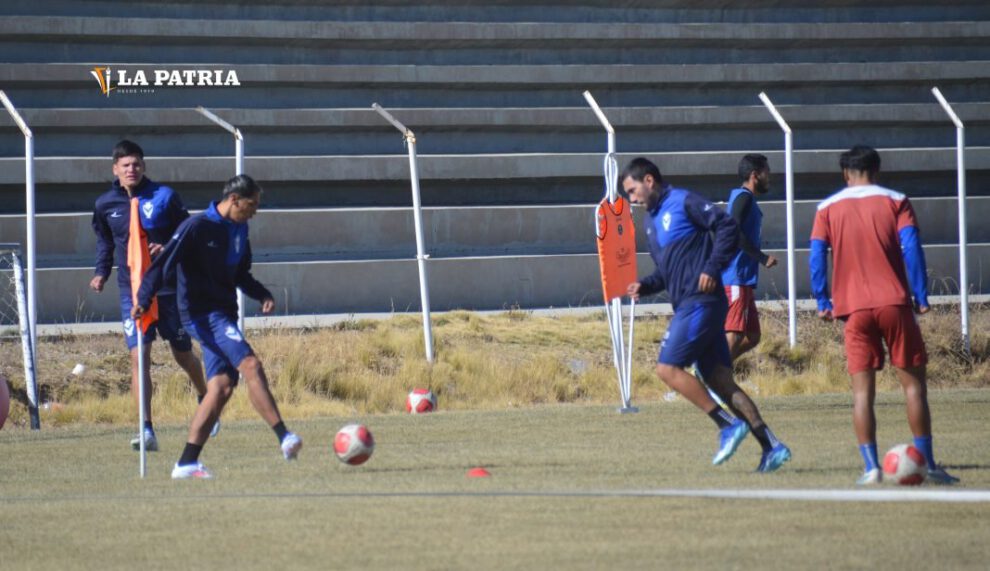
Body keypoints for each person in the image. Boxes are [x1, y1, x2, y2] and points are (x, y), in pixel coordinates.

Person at [623, 157, 791, 472]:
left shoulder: (683, 201)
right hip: (693, 302)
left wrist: (713, 267)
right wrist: (644, 286)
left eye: (632, 191)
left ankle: (727, 424)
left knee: (666, 369)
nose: (631, 199)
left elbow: (727, 225)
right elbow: (666, 272)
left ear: (648, 180)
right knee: (719, 379)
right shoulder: (650, 222)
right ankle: (772, 446)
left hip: (700, 302)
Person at [134, 174, 302, 479]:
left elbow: (240, 274)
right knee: (250, 364)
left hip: (223, 312)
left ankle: (186, 463)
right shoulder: (197, 227)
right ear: (234, 199)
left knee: (222, 387)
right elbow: (163, 264)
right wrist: (144, 299)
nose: (254, 212)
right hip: (201, 314)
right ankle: (284, 437)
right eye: (251, 205)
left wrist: (262, 293)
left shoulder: (239, 229)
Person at [810, 145, 958, 485]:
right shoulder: (896, 200)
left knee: (862, 393)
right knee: (914, 388)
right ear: (876, 171)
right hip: (894, 302)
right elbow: (912, 248)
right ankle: (930, 465)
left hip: (853, 309)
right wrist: (920, 295)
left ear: (845, 174)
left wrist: (822, 300)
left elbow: (816, 256)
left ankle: (871, 467)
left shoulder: (826, 207)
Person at [90, 140, 211, 452]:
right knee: (138, 355)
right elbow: (105, 242)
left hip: (167, 289)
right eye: (126, 165)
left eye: (137, 164)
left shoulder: (164, 197)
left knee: (182, 353)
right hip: (132, 292)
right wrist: (101, 272)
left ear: (144, 166)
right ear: (115, 169)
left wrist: (167, 246)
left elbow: (187, 231)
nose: (132, 170)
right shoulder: (105, 204)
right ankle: (146, 430)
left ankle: (205, 396)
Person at [721, 154, 778, 361]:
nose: (769, 177)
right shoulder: (743, 197)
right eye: (766, 173)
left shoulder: (747, 199)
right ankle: (712, 377)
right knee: (734, 332)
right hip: (735, 277)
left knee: (753, 336)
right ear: (755, 175)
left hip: (744, 278)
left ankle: (719, 370)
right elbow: (733, 232)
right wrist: (762, 258)